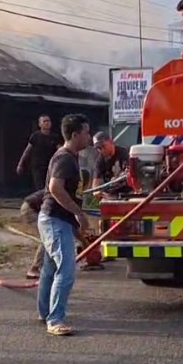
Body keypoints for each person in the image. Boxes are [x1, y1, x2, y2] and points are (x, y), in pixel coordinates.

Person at [37, 113, 92, 336]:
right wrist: (78, 213)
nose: (88, 137)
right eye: (86, 133)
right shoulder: (64, 158)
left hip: (59, 220)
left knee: (50, 269)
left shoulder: (72, 158)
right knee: (66, 269)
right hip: (54, 220)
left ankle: (45, 313)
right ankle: (55, 320)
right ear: (75, 134)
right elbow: (55, 188)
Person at [16, 115, 63, 189]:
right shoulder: (35, 136)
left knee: (50, 186)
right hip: (38, 166)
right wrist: (20, 164)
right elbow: (27, 151)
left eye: (48, 121)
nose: (47, 123)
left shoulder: (54, 137)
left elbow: (60, 150)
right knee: (40, 187)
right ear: (40, 124)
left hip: (50, 166)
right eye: (44, 121)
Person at [92, 131, 131, 198]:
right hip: (110, 196)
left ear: (111, 141)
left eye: (103, 146)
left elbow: (129, 172)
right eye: (98, 148)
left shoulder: (124, 153)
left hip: (127, 194)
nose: (102, 150)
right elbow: (96, 182)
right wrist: (96, 191)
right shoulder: (100, 160)